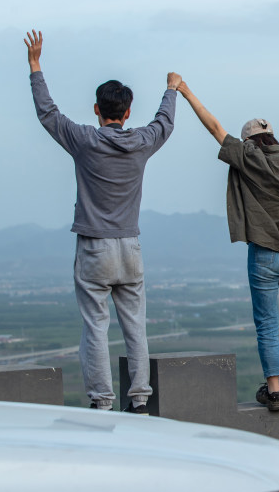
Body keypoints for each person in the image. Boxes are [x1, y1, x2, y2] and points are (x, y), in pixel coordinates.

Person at [24, 30, 180, 412]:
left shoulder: (83, 140)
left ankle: (102, 401)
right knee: (135, 325)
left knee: (96, 325)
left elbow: (48, 113)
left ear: (97, 110)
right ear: (127, 113)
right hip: (130, 246)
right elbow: (165, 122)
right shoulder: (142, 142)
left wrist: (35, 65)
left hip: (94, 245)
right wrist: (171, 89)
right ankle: (140, 398)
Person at [176, 80, 279, 411]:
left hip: (265, 255)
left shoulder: (248, 157)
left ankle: (274, 391)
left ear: (249, 140)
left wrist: (185, 90)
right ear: (273, 137)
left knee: (267, 325)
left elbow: (214, 126)